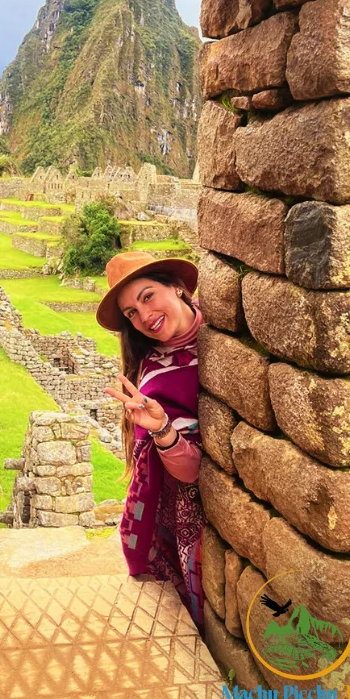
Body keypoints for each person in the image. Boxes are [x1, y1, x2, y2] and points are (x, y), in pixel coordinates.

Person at [96, 250, 206, 632]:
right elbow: (190, 471)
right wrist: (162, 430)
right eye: (131, 313)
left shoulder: (226, 327)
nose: (144, 317)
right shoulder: (157, 377)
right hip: (185, 498)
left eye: (147, 297)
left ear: (177, 288)